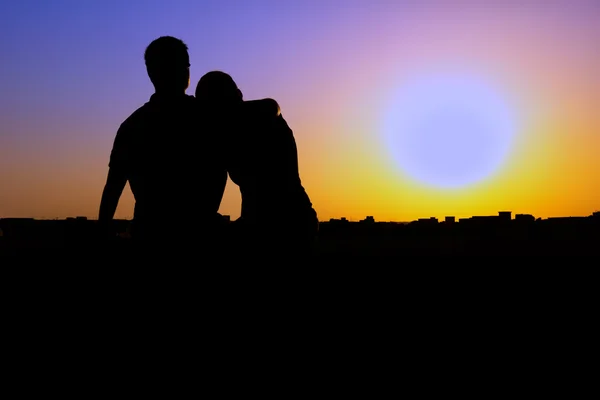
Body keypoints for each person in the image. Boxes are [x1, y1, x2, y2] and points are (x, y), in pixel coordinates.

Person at [98, 37, 227, 253]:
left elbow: (113, 188)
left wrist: (103, 232)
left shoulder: (132, 125)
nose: (184, 71)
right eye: (182, 65)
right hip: (197, 237)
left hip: (151, 236)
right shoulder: (207, 116)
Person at [195, 71, 319, 259]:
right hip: (256, 223)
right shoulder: (225, 136)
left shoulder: (262, 114)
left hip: (291, 221)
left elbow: (271, 107)